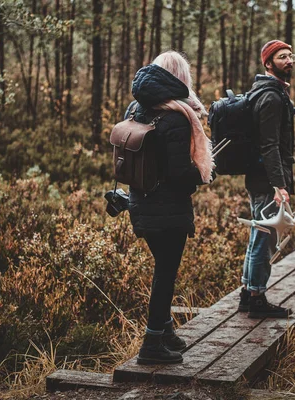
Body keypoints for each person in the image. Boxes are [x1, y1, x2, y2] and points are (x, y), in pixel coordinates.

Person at [125, 51, 213, 364]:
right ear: (181, 79)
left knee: (163, 267)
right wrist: (201, 175)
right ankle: (151, 346)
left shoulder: (136, 107)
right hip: (167, 210)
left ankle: (166, 332)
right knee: (165, 273)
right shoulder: (177, 117)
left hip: (140, 202)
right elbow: (178, 174)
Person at [238, 40, 295, 319]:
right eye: (282, 57)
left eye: (290, 55)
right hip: (267, 180)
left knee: (257, 233)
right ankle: (257, 297)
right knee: (265, 237)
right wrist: (280, 185)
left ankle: (247, 293)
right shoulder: (271, 97)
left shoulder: (268, 92)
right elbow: (269, 145)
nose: (289, 60)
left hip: (260, 177)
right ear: (268, 63)